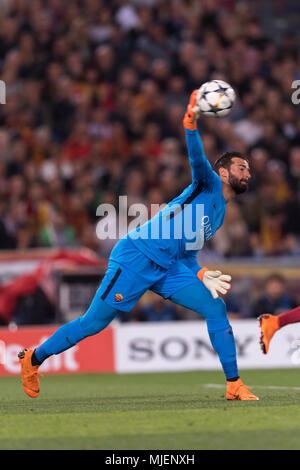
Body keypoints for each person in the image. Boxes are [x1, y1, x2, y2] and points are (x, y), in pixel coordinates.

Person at [18, 90, 258, 401]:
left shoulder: (220, 213)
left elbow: (187, 254)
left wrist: (200, 274)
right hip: (137, 257)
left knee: (215, 305)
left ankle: (234, 385)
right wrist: (191, 123)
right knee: (94, 323)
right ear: (224, 173)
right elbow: (197, 159)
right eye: (242, 168)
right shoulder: (209, 183)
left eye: (249, 170)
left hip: (169, 267)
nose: (248, 173)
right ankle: (32, 359)